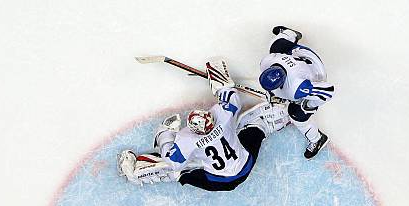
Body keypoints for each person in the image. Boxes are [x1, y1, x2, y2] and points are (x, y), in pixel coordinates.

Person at [117, 59, 288, 191]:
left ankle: (137, 174)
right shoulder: (223, 116)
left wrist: (165, 132)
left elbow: (172, 160)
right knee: (254, 130)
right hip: (245, 165)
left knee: (181, 172)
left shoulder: (186, 140)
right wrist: (219, 81)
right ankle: (268, 122)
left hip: (220, 181)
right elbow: (232, 98)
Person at [259, 26, 334, 159]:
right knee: (275, 45)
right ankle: (291, 34)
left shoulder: (297, 86)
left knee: (296, 114)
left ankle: (317, 139)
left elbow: (328, 91)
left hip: (315, 72)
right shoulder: (268, 60)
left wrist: (308, 105)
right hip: (300, 55)